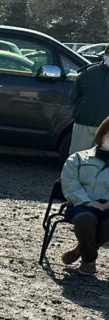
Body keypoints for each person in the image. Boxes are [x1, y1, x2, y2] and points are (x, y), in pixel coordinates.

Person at [60, 115, 109, 274]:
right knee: (86, 219)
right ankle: (89, 260)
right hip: (81, 205)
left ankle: (79, 251)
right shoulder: (78, 158)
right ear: (102, 135)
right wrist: (87, 201)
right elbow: (69, 182)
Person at [69, 44, 109, 155]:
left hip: (107, 130)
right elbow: (73, 97)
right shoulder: (88, 73)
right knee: (77, 159)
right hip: (84, 126)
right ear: (105, 54)